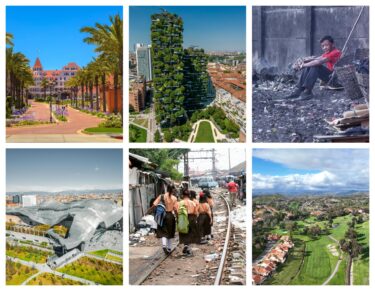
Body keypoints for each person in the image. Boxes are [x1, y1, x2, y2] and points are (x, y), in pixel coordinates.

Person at [287, 35, 343, 100]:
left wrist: (303, 65)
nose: (324, 48)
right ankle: (299, 90)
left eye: (326, 45)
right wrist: (303, 61)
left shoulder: (336, 52)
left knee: (315, 66)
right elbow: (316, 59)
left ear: (332, 44)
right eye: (323, 46)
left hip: (335, 79)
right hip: (330, 77)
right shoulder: (327, 53)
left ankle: (308, 92)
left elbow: (319, 62)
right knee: (310, 65)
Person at [151, 184, 177, 255]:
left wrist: (151, 212)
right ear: (173, 190)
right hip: (170, 216)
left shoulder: (161, 196)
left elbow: (154, 205)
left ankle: (164, 245)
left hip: (162, 215)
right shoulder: (174, 198)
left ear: (167, 189)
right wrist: (177, 216)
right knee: (170, 232)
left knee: (163, 232)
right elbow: (175, 209)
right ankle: (169, 248)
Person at [177, 189, 197, 256]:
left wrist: (178, 219)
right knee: (190, 233)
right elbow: (195, 212)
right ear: (189, 195)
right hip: (191, 218)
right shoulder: (192, 203)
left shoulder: (180, 203)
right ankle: (188, 247)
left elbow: (177, 211)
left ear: (182, 195)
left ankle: (186, 245)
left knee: (183, 232)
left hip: (183, 218)